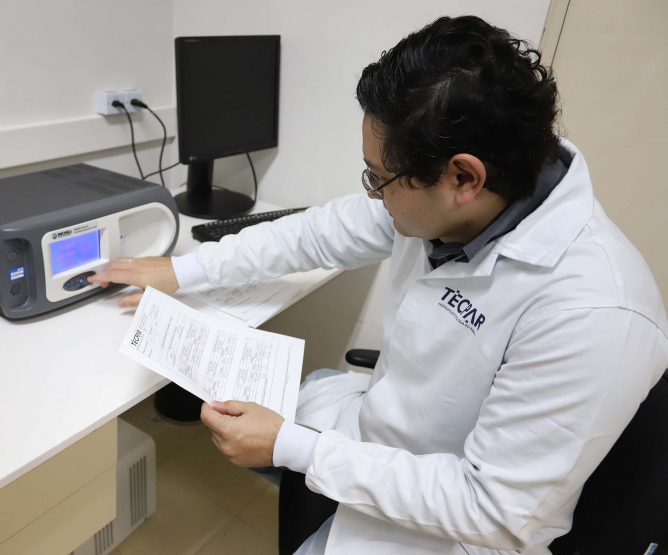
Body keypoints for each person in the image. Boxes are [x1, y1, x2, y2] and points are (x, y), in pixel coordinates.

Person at [88, 15, 668, 555]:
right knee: (288, 393)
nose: (372, 193)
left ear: (462, 176)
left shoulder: (593, 309)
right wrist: (186, 271)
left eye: (378, 177)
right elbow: (319, 232)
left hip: (449, 529)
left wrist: (294, 448)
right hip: (385, 431)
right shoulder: (464, 202)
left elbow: (496, 510)